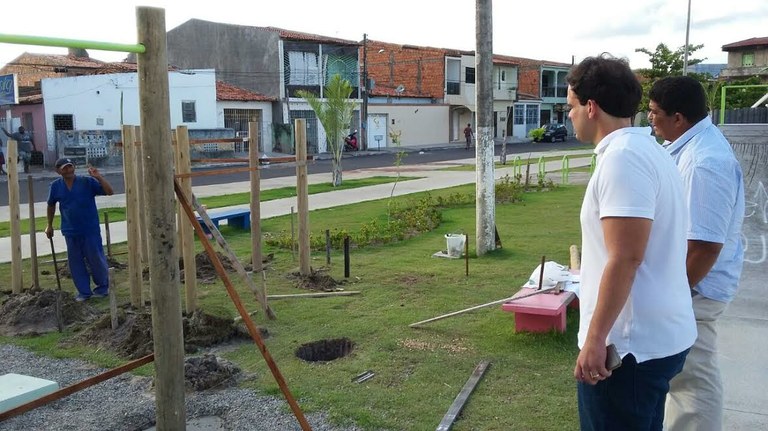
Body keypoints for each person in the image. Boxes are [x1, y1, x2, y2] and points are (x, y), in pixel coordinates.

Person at [567, 54, 697, 430]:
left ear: (591, 108)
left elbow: (626, 258)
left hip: (629, 347)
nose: (569, 115)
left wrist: (595, 339)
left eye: (571, 107)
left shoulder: (624, 158)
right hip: (650, 337)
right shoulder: (649, 152)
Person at [648, 76, 745, 431]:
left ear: (678, 117)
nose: (650, 119)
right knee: (683, 380)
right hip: (689, 286)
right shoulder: (692, 147)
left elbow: (704, 246)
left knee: (693, 381)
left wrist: (673, 295)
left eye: (655, 112)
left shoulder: (704, 162)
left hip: (696, 290)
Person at [45, 158, 114, 302]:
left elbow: (109, 192)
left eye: (70, 167)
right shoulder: (56, 186)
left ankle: (103, 287)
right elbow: (51, 205)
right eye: (65, 168)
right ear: (58, 171)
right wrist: (49, 225)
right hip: (70, 230)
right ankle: (84, 292)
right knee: (75, 262)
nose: (68, 170)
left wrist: (98, 177)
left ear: (74, 167)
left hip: (90, 229)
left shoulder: (87, 182)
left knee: (96, 258)